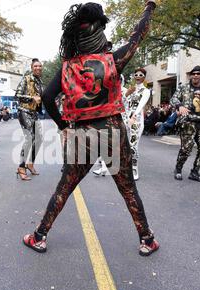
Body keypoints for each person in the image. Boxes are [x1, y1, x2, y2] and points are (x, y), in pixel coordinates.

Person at [23, 0, 159, 256]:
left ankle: (39, 236)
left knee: (65, 186)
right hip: (112, 130)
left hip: (81, 134)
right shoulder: (112, 60)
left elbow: (48, 100)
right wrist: (149, 7)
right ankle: (147, 239)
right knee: (128, 188)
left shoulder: (67, 68)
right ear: (99, 31)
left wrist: (64, 126)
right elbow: (137, 36)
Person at [170, 65, 200, 183]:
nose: (195, 75)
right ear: (190, 76)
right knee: (186, 149)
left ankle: (195, 172)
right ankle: (178, 169)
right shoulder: (183, 88)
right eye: (193, 74)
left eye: (198, 74)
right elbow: (173, 99)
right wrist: (180, 106)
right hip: (188, 122)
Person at [15, 58, 44, 180]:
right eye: (35, 66)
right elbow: (17, 95)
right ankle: (21, 167)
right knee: (29, 138)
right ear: (32, 68)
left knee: (39, 139)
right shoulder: (26, 79)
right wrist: (32, 98)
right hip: (24, 111)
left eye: (39, 66)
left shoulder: (40, 82)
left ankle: (30, 163)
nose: (38, 68)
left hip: (34, 113)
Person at [122, 68, 151, 181]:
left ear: (144, 77)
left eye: (141, 74)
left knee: (133, 146)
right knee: (123, 145)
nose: (138, 76)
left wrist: (134, 116)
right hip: (126, 120)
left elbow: (141, 104)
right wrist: (126, 94)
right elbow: (122, 104)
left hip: (136, 122)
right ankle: (125, 168)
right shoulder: (130, 89)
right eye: (136, 74)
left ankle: (134, 168)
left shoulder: (146, 91)